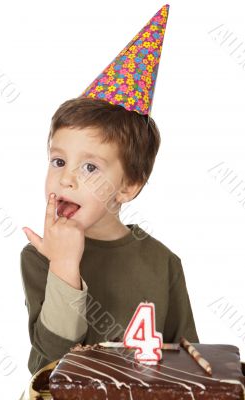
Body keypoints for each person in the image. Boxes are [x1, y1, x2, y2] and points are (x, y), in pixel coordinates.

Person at [20, 4, 199, 377]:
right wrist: (64, 265)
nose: (66, 179)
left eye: (90, 167)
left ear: (129, 186)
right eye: (58, 161)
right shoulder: (40, 256)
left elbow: (189, 364)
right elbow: (54, 363)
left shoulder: (164, 263)